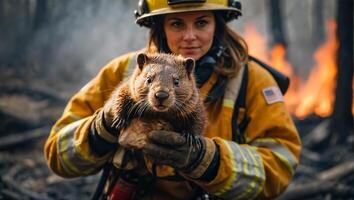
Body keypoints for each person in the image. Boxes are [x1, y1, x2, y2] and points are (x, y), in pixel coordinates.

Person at [44, 0, 301, 199]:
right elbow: (58, 155)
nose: (189, 36)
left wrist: (207, 160)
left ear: (218, 24)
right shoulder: (123, 72)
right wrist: (104, 128)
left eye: (201, 23)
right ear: (160, 27)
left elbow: (280, 166)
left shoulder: (253, 81)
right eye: (177, 24)